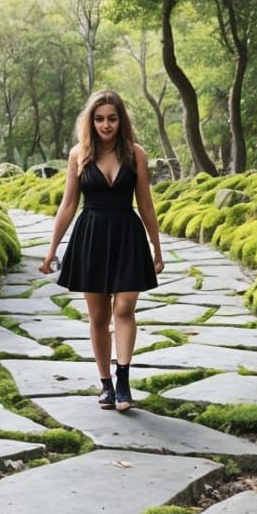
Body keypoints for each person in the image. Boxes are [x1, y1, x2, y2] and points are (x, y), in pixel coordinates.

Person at [40, 88, 164, 410]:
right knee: (97, 315)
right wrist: (52, 250)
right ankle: (106, 384)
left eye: (111, 118)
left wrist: (157, 246)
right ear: (90, 121)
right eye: (99, 119)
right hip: (91, 236)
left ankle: (124, 381)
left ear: (121, 120)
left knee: (124, 309)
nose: (106, 125)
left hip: (127, 235)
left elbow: (146, 204)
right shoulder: (78, 154)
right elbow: (68, 205)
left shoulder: (135, 153)